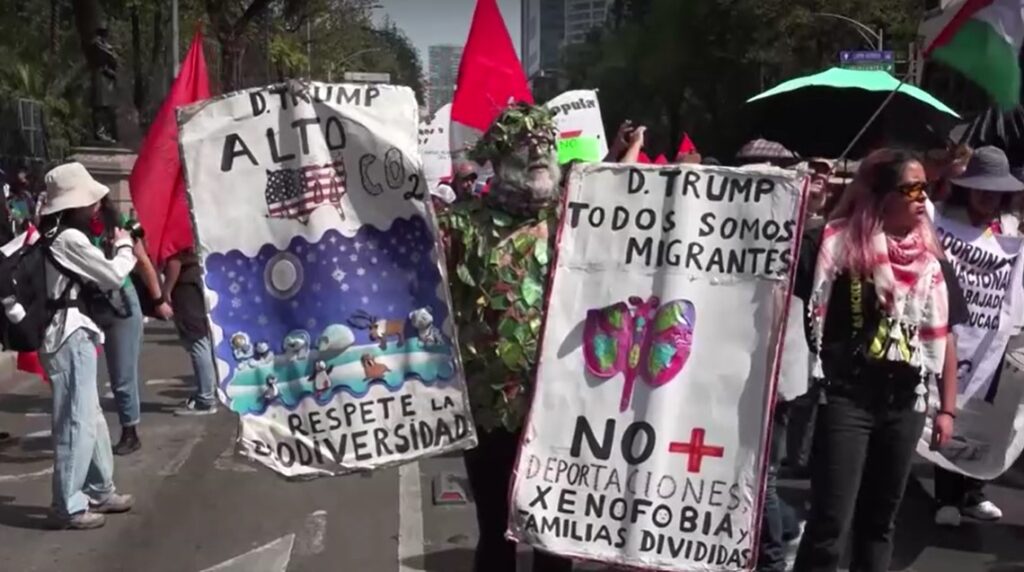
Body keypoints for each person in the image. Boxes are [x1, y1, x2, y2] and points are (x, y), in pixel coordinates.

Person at [793, 149, 963, 572]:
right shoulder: (832, 244)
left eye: (928, 187)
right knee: (831, 521)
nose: (923, 198)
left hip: (903, 403)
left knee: (880, 523)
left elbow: (947, 338)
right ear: (880, 196)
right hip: (847, 398)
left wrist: (947, 408)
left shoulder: (934, 263)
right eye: (912, 188)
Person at [439, 102, 572, 572]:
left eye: (546, 145)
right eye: (526, 144)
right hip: (489, 409)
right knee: (495, 530)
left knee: (555, 533)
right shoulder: (461, 225)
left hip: (560, 408)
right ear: (497, 156)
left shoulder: (576, 224)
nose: (539, 153)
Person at [37, 162, 136, 529]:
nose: (95, 205)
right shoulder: (68, 239)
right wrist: (125, 248)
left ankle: (100, 488)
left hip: (71, 333)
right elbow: (111, 276)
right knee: (75, 421)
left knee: (89, 416)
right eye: (89, 199)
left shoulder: (52, 235)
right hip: (68, 334)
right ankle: (68, 503)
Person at [930, 146, 1023, 527]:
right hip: (950, 333)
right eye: (980, 188)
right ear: (967, 188)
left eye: (994, 190)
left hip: (992, 341)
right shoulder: (943, 221)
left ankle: (972, 492)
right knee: (947, 407)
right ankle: (946, 496)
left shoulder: (1012, 232)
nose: (987, 197)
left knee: (981, 416)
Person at [88, 196, 172, 455]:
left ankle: (129, 431)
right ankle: (86, 433)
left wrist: (159, 299)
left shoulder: (118, 225)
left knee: (121, 373)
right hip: (87, 302)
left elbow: (143, 262)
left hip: (121, 302)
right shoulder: (67, 229)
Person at [164, 248, 218, 415]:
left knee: (197, 340)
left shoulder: (175, 229)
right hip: (192, 282)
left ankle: (206, 398)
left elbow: (175, 261)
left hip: (185, 285)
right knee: (200, 340)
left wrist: (165, 291)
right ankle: (207, 391)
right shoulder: (184, 226)